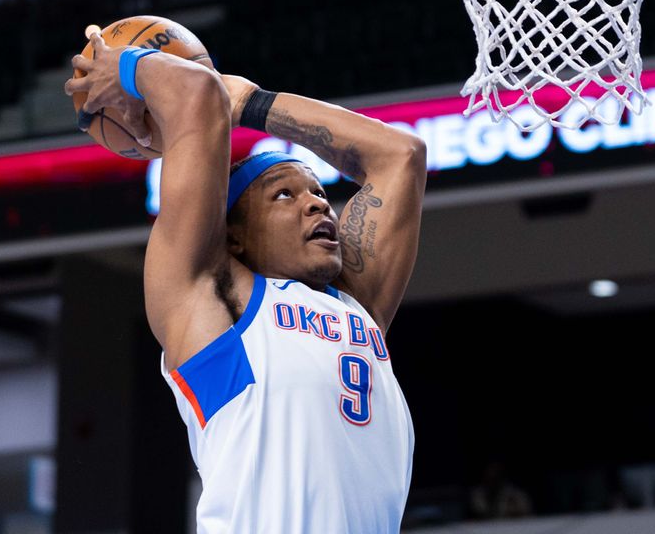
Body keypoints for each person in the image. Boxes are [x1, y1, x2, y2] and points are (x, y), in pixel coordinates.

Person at [65, 31, 427, 533]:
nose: (319, 203)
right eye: (283, 195)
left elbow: (401, 153)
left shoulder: (357, 307)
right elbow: (196, 95)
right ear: (231, 237)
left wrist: (253, 104)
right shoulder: (211, 299)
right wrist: (125, 67)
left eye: (319, 191)